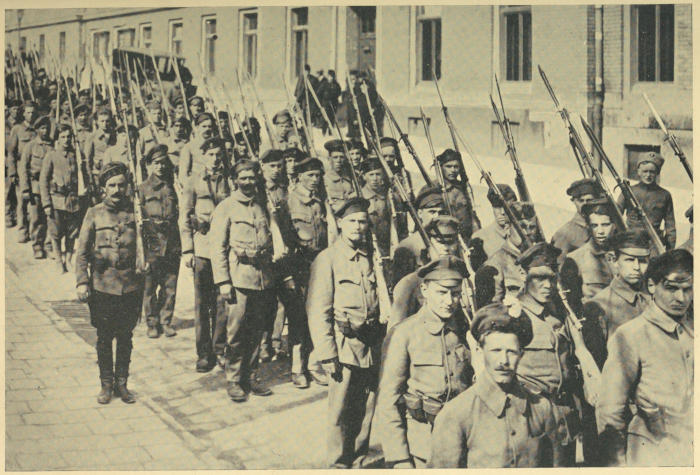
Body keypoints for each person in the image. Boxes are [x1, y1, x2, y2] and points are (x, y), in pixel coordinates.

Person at [429, 302, 557, 468]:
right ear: (480, 351)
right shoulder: (456, 414)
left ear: (521, 354)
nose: (504, 361)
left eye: (511, 351)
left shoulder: (541, 408)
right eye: (496, 351)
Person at [597, 249, 693, 467]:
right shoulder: (631, 335)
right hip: (650, 455)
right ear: (651, 286)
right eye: (671, 288)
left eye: (688, 289)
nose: (681, 298)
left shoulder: (692, 331)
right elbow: (610, 411)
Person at [377, 256, 474, 468]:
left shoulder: (465, 330)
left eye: (455, 293)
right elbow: (387, 401)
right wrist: (399, 458)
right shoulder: (404, 333)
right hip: (423, 446)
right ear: (425, 290)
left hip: (464, 441)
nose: (449, 301)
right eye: (442, 292)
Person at [307, 197, 382, 468]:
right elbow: (318, 311)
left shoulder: (372, 257)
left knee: (367, 406)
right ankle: (338, 463)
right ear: (339, 223)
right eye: (352, 221)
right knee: (340, 410)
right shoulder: (327, 259)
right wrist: (327, 354)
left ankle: (359, 457)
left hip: (371, 344)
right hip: (344, 347)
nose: (358, 226)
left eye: (363, 221)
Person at [75, 162, 143, 405]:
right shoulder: (94, 213)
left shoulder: (136, 212)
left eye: (121, 185)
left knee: (125, 337)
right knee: (104, 338)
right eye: (111, 185)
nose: (117, 190)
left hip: (131, 286)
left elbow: (145, 246)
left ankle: (122, 384)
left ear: (127, 187)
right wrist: (82, 282)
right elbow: (82, 252)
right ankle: (106, 385)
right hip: (103, 286)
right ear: (104, 188)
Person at [210, 160, 277, 402]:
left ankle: (252, 375)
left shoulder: (262, 205)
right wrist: (223, 282)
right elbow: (217, 247)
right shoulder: (226, 207)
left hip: (262, 278)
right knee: (236, 332)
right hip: (239, 278)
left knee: (257, 330)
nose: (248, 182)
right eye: (243, 178)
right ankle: (234, 379)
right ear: (234, 180)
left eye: (251, 177)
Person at [515, 242, 580, 466]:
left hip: (564, 418)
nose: (547, 285)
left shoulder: (557, 315)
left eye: (551, 278)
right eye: (539, 279)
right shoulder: (514, 317)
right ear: (523, 276)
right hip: (532, 420)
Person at [180, 137, 231, 372]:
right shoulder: (193, 182)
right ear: (203, 157)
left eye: (219, 154)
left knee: (223, 302)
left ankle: (219, 349)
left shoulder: (229, 180)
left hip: (225, 248)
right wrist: (188, 249)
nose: (215, 159)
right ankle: (203, 353)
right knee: (203, 304)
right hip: (202, 247)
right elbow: (184, 215)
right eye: (210, 154)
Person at [286, 156, 328, 386]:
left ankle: (314, 364)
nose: (315, 179)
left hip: (318, 264)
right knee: (298, 318)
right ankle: (297, 368)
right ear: (300, 176)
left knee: (317, 315)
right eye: (310, 175)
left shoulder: (319, 201)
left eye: (318, 175)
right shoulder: (290, 201)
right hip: (298, 265)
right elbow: (286, 239)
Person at [581, 229, 652, 367]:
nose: (636, 267)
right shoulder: (598, 306)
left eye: (642, 261)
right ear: (613, 260)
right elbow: (598, 363)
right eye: (629, 260)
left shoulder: (655, 299)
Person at [389, 216, 462, 328]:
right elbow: (396, 330)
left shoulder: (463, 278)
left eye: (450, 243)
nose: (446, 248)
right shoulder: (410, 283)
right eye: (440, 243)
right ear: (429, 245)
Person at [139, 144, 181, 339]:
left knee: (170, 285)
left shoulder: (173, 186)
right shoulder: (142, 189)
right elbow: (139, 219)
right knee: (149, 286)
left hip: (171, 241)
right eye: (156, 163)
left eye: (163, 162)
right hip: (152, 241)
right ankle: (152, 322)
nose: (161, 166)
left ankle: (166, 321)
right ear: (149, 165)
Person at [474, 202, 539, 307]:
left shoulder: (540, 260)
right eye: (522, 227)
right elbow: (490, 311)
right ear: (507, 228)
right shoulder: (493, 266)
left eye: (532, 227)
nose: (527, 232)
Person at [560, 198, 617, 308]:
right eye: (594, 225)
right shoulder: (575, 259)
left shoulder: (624, 254)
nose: (600, 231)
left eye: (605, 225)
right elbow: (573, 303)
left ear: (614, 225)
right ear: (589, 227)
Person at [39, 124, 81, 273]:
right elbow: (43, 180)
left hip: (72, 200)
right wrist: (46, 204)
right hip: (56, 200)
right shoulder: (51, 156)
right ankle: (58, 260)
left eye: (68, 136)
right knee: (55, 233)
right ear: (57, 139)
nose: (66, 140)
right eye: (62, 137)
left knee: (72, 233)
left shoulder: (76, 155)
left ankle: (68, 260)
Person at [616, 151, 675, 250]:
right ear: (638, 171)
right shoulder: (628, 191)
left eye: (652, 172)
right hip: (630, 242)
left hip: (653, 244)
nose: (648, 175)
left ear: (657, 173)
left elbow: (670, 226)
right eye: (645, 171)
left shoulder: (665, 195)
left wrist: (670, 250)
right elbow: (616, 215)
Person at [391, 186, 445, 286]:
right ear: (420, 213)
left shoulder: (449, 240)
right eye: (432, 212)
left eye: (441, 212)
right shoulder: (407, 246)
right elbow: (401, 286)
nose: (437, 217)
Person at [19, 115, 53, 259]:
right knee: (36, 217)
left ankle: (49, 244)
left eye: (47, 128)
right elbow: (23, 168)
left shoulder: (53, 145)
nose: (45, 131)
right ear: (37, 129)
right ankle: (37, 245)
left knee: (50, 217)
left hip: (50, 187)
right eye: (43, 128)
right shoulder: (30, 146)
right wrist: (25, 189)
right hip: (35, 187)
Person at [7, 100, 38, 243]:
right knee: (21, 202)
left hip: (35, 169)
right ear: (23, 114)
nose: (31, 115)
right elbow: (11, 153)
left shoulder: (38, 129)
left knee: (34, 203)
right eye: (28, 112)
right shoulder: (17, 129)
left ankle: (34, 232)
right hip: (21, 169)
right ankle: (22, 231)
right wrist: (12, 172)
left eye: (33, 112)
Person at [551, 178, 602, 262]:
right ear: (573, 201)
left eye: (589, 200)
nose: (585, 204)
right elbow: (559, 264)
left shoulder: (604, 225)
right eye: (580, 201)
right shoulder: (565, 233)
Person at [470, 183, 518, 260]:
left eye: (507, 208)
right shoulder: (480, 237)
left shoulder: (522, 233)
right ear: (492, 207)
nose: (502, 212)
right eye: (497, 207)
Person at [436, 148, 474, 241]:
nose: (453, 170)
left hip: (466, 237)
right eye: (448, 166)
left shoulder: (463, 188)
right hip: (444, 238)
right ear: (441, 167)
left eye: (456, 167)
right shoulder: (433, 189)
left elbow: (471, 215)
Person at [360, 157, 391, 256]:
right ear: (364, 176)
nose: (375, 178)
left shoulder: (389, 196)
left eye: (378, 174)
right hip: (366, 247)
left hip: (388, 246)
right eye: (371, 174)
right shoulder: (357, 197)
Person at [178, 112, 216, 189]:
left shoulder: (216, 145)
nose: (207, 129)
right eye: (204, 126)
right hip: (199, 188)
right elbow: (182, 175)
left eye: (210, 127)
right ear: (197, 127)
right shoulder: (189, 147)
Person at [85, 107, 117, 195]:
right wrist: (90, 179)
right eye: (102, 121)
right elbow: (87, 160)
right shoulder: (92, 137)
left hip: (112, 173)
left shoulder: (115, 135)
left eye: (107, 121)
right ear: (97, 122)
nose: (105, 124)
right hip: (97, 174)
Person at [324, 139, 357, 213]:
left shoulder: (352, 177)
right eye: (335, 157)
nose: (339, 160)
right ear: (329, 159)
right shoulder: (324, 179)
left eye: (341, 157)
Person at [5, 99, 22, 227]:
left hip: (18, 159)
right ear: (9, 110)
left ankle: (16, 212)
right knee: (7, 189)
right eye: (13, 109)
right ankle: (7, 214)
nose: (16, 111)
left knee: (17, 187)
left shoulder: (20, 124)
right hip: (6, 159)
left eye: (17, 109)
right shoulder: (4, 124)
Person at [319, 69, 341, 136]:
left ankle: (330, 132)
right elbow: (319, 93)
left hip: (333, 104)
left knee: (332, 118)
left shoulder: (336, 84)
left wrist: (334, 96)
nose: (330, 78)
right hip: (326, 104)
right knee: (325, 118)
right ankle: (324, 132)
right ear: (328, 76)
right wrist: (321, 103)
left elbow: (339, 92)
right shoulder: (324, 84)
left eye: (332, 77)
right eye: (329, 76)